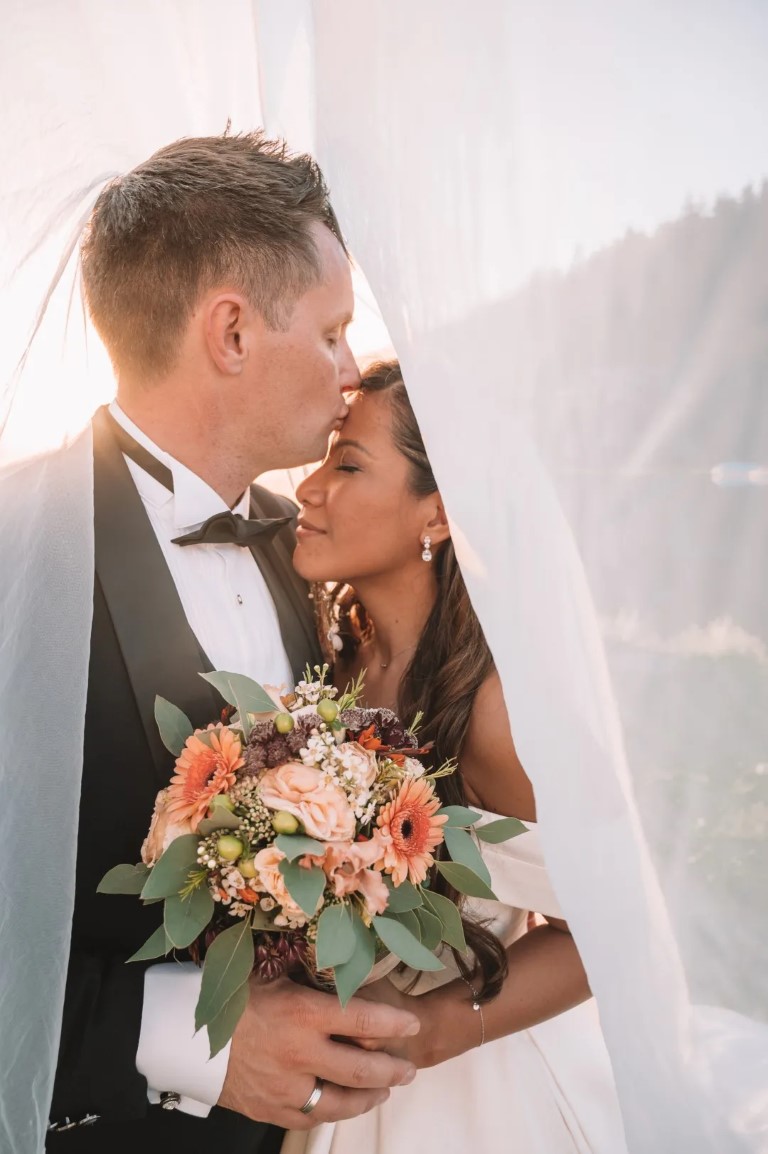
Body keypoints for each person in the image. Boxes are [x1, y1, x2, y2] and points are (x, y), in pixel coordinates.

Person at [46, 136, 421, 1154]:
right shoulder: (15, 546)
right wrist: (198, 1042)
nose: (352, 372)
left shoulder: (304, 551)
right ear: (233, 332)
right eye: (335, 331)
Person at [287, 359, 630, 1153]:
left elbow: (609, 928)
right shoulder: (331, 666)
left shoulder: (493, 710)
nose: (308, 488)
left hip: (470, 1103)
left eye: (347, 464)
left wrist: (442, 1028)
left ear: (436, 513)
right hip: (333, 1091)